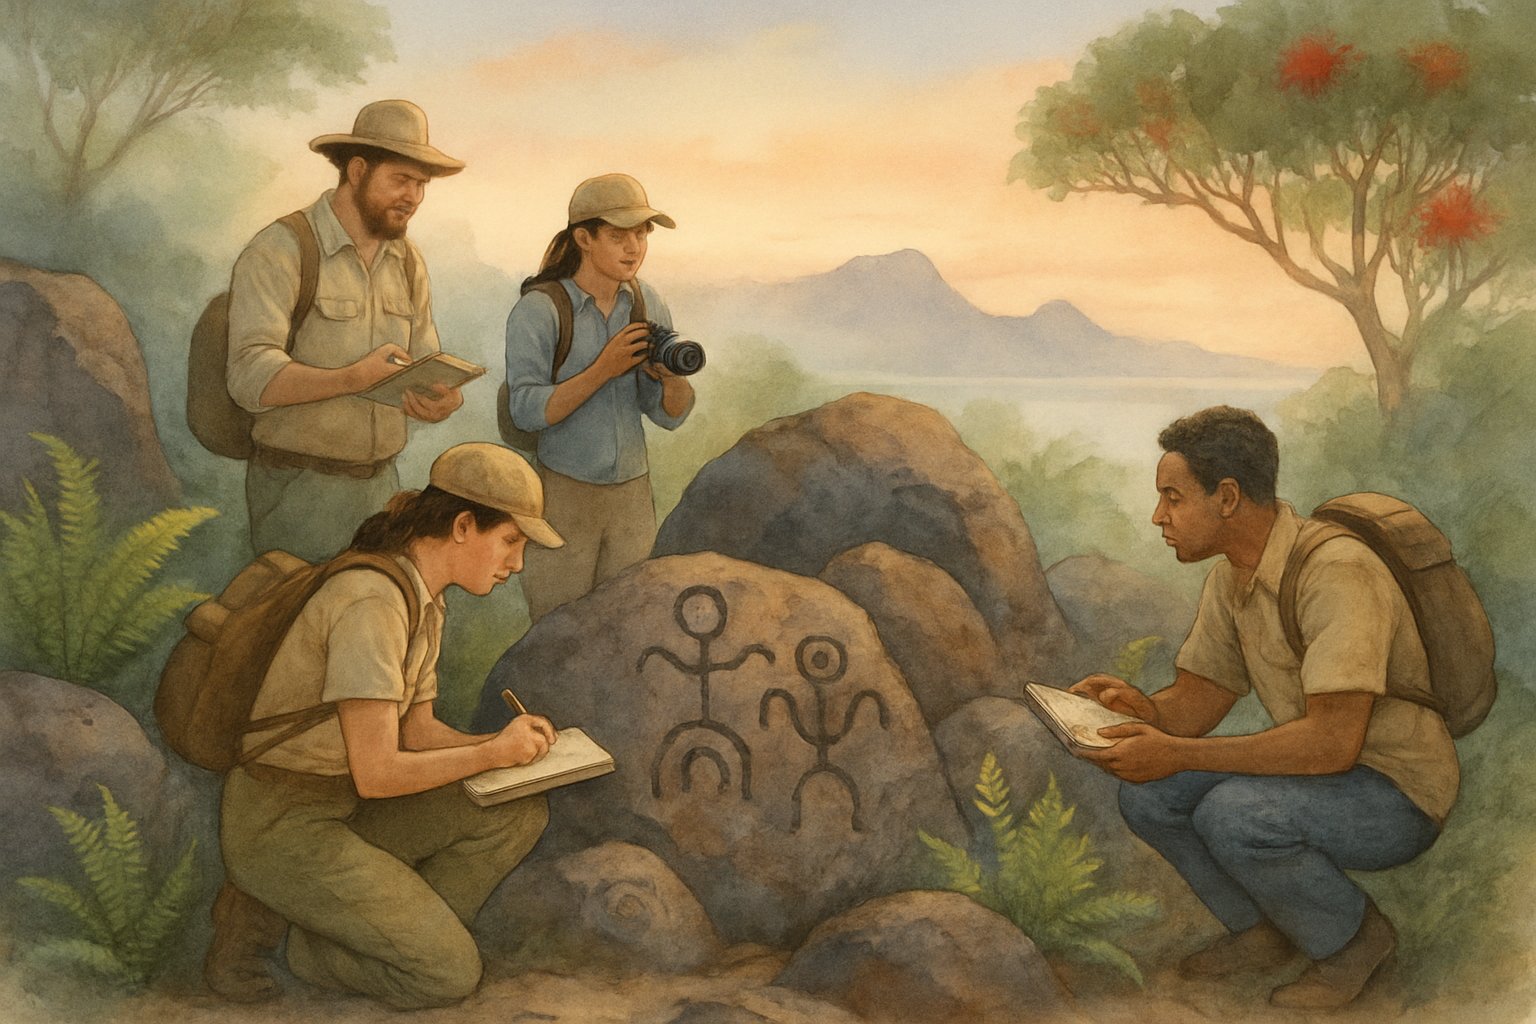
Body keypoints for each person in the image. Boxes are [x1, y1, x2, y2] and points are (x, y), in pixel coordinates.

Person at [1070, 406, 1455, 1010]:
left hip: (1396, 790)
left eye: (1172, 497)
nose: (1158, 516)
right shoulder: (1231, 581)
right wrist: (1142, 710)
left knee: (1235, 813)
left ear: (1226, 496)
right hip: (1325, 772)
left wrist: (1176, 751)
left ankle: (1355, 942)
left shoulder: (1338, 570)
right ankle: (1265, 930)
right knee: (1150, 795)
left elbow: (1333, 743)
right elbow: (1197, 702)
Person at [203, 442, 565, 1008]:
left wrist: (503, 748)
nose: (516, 564)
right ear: (464, 525)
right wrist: (491, 755)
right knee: (447, 977)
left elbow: (417, 735)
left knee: (515, 807)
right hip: (282, 825)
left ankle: (384, 932)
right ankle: (317, 950)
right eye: (511, 541)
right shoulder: (372, 601)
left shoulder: (425, 599)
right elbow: (376, 772)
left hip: (345, 809)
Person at [226, 99, 468, 561]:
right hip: (298, 493)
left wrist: (440, 399)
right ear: (357, 171)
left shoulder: (409, 262)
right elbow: (248, 376)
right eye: (401, 180)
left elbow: (424, 361)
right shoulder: (281, 248)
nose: (414, 197)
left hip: (384, 493)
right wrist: (352, 378)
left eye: (421, 185)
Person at [504, 173, 695, 622]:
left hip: (632, 495)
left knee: (631, 627)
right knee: (556, 628)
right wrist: (602, 370)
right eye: (618, 235)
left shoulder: (647, 302)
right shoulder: (540, 309)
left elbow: (668, 417)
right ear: (584, 238)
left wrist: (672, 380)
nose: (634, 248)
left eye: (642, 233)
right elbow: (526, 410)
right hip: (563, 495)